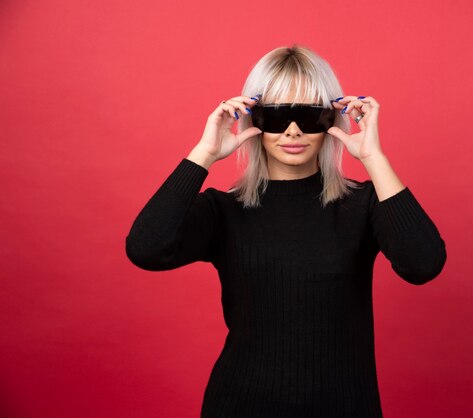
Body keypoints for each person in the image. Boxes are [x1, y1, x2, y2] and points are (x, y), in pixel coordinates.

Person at [125, 44, 447, 418]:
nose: (293, 131)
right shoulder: (223, 210)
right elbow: (145, 249)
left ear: (332, 120)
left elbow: (424, 264)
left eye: (309, 117)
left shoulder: (365, 204)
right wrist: (205, 153)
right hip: (239, 407)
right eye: (277, 117)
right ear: (253, 120)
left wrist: (375, 160)